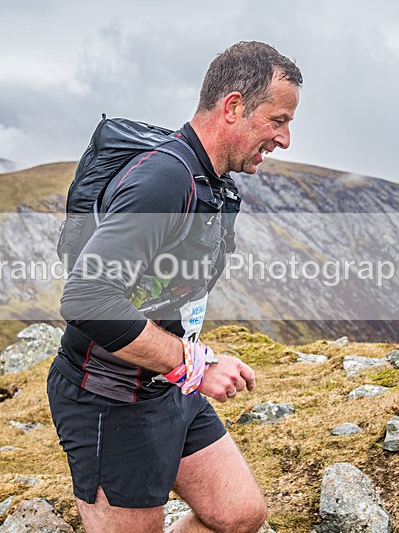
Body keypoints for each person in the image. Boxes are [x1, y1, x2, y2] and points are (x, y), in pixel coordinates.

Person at [47, 41, 302, 533]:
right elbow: (86, 297)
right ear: (233, 107)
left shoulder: (205, 176)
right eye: (278, 120)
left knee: (239, 515)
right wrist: (195, 365)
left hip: (165, 387)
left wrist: (184, 365)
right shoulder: (165, 180)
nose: (286, 139)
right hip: (108, 398)